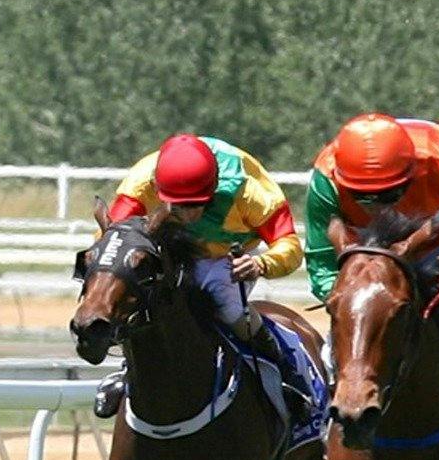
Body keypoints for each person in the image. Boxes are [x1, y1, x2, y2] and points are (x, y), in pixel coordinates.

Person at [296, 113, 439, 373]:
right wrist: (347, 300)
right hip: (367, 258)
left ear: (413, 169)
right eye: (363, 198)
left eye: (392, 194)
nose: (381, 209)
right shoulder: (326, 178)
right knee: (332, 359)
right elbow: (322, 260)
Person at [96, 133, 311, 377]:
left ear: (215, 185)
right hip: (170, 254)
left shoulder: (249, 190)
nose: (187, 217)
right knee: (144, 306)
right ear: (157, 186)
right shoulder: (140, 184)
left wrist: (261, 264)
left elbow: (290, 245)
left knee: (229, 309)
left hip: (225, 258)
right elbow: (109, 239)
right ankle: (127, 376)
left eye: (196, 205)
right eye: (177, 206)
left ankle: (287, 373)